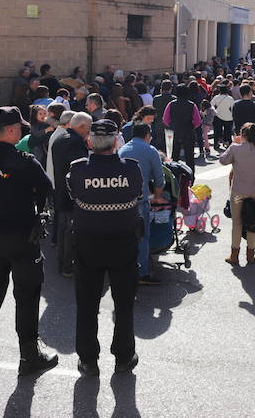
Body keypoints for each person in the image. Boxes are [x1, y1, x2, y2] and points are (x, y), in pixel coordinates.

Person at [0, 106, 58, 374]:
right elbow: (46, 188)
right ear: (9, 130)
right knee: (27, 295)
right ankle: (29, 356)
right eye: (18, 127)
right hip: (22, 237)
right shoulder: (23, 160)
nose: (21, 130)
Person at [67, 119, 144, 376]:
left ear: (89, 142)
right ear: (116, 142)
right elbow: (138, 195)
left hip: (89, 245)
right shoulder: (132, 170)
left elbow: (72, 195)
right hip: (123, 244)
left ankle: (88, 359)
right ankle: (123, 357)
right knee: (124, 304)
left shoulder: (77, 171)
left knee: (87, 303)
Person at [119, 123, 166, 285]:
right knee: (142, 236)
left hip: (122, 201)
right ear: (147, 135)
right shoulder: (150, 150)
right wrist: (157, 197)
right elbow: (160, 179)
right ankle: (142, 273)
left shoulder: (122, 149)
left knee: (125, 236)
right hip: (140, 200)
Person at [219, 123, 255, 266]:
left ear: (242, 135)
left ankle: (234, 255)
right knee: (252, 222)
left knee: (237, 222)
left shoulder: (236, 148)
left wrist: (232, 144)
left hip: (238, 191)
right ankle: (251, 255)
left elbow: (222, 160)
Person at [51, 112, 93, 277]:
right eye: (89, 127)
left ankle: (63, 263)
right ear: (81, 126)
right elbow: (79, 171)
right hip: (71, 194)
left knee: (63, 230)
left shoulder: (61, 139)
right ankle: (67, 266)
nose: (89, 131)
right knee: (69, 232)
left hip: (61, 190)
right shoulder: (75, 143)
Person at [162, 84, 201, 176]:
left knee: (174, 157)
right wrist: (190, 127)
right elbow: (198, 121)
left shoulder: (171, 104)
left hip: (174, 132)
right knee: (189, 157)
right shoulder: (192, 105)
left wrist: (172, 126)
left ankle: (174, 176)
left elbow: (165, 120)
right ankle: (190, 177)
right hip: (188, 132)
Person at [151, 81, 175, 152]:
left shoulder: (156, 98)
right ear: (171, 89)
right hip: (170, 122)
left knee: (159, 141)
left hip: (159, 122)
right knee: (169, 142)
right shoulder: (173, 99)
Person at [210, 85, 235, 150]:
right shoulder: (230, 98)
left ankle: (216, 143)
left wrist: (215, 111)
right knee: (228, 131)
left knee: (217, 131)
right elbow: (233, 108)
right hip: (228, 117)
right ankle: (228, 142)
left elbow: (211, 105)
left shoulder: (216, 97)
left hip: (218, 115)